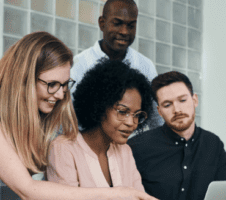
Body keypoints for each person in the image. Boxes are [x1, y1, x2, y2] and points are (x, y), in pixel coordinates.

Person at [0, 31, 157, 200]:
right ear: (25, 77)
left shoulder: (22, 113)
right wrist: (116, 193)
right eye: (52, 84)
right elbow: (27, 190)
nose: (60, 94)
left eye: (65, 85)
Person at [47, 58, 157, 200]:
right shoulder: (63, 148)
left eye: (137, 115)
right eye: (122, 112)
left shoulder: (125, 151)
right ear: (99, 106)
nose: (131, 122)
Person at [127, 71, 226, 200]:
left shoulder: (213, 144)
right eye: (167, 105)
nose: (177, 110)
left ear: (195, 100)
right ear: (160, 111)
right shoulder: (136, 147)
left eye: (183, 100)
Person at [71, 0, 163, 130]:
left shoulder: (145, 66)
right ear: (102, 23)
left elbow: (156, 119)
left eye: (131, 25)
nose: (124, 31)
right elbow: (66, 118)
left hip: (133, 148)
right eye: (117, 23)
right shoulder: (79, 64)